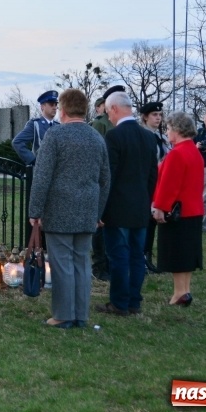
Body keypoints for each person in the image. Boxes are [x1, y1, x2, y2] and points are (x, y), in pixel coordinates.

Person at [29, 89, 110, 329]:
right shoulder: (97, 138)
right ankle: (80, 315)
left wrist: (35, 211)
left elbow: (42, 177)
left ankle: (63, 315)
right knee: (82, 263)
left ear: (62, 110)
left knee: (62, 263)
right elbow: (105, 180)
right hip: (87, 211)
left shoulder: (55, 136)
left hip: (59, 209)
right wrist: (97, 213)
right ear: (85, 110)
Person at [95, 90, 157, 317]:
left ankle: (119, 303)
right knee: (136, 256)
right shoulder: (149, 137)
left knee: (119, 257)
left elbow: (108, 177)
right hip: (140, 207)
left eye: (108, 112)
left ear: (114, 109)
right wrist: (146, 200)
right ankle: (134, 301)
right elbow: (153, 176)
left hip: (118, 209)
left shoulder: (114, 137)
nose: (108, 117)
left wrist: (101, 210)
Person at [151, 111, 204, 306]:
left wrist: (159, 207)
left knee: (177, 253)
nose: (167, 132)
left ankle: (179, 293)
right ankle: (185, 290)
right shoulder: (194, 152)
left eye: (168, 128)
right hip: (194, 211)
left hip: (178, 212)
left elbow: (169, 184)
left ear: (177, 129)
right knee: (187, 253)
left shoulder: (177, 153)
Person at [139, 101, 172, 274]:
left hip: (159, 183)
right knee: (145, 221)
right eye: (154, 115)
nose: (158, 118)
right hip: (145, 183)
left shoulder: (161, 137)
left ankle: (148, 256)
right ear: (145, 117)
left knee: (152, 221)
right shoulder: (141, 135)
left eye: (160, 115)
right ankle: (141, 257)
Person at [89, 95, 114, 282]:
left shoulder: (114, 122)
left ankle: (109, 261)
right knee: (100, 222)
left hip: (114, 178)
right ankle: (99, 264)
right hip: (103, 177)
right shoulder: (100, 123)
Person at [12, 90, 60, 166]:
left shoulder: (59, 126)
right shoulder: (35, 124)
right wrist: (33, 160)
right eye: (51, 104)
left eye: (56, 104)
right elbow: (17, 142)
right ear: (42, 106)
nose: (54, 107)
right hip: (42, 169)